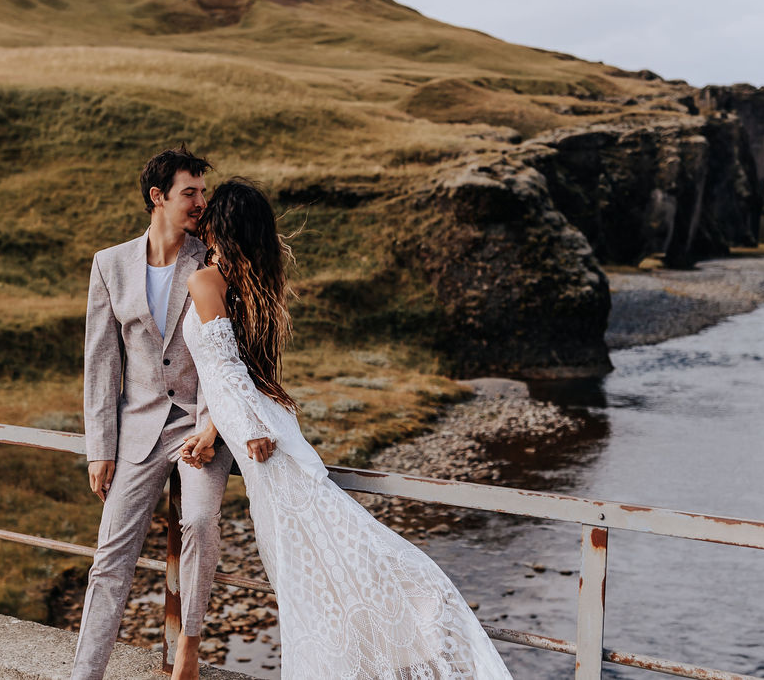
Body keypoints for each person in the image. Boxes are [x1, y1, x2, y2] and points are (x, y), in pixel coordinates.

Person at [181, 178, 513, 678]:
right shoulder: (239, 281)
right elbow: (228, 371)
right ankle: (372, 647)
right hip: (257, 429)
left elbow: (229, 368)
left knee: (321, 547)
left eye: (209, 215)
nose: (201, 219)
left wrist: (247, 429)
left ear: (221, 226)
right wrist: (215, 430)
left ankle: (417, 616)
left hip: (262, 438)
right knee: (308, 556)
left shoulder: (205, 281)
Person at [73, 146, 235, 680]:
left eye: (203, 193)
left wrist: (212, 427)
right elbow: (101, 364)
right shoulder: (109, 264)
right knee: (109, 560)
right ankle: (84, 674)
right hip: (137, 429)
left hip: (199, 426)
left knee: (199, 522)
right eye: (190, 193)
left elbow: (222, 350)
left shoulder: (213, 259)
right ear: (157, 197)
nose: (200, 203)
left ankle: (188, 645)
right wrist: (100, 448)